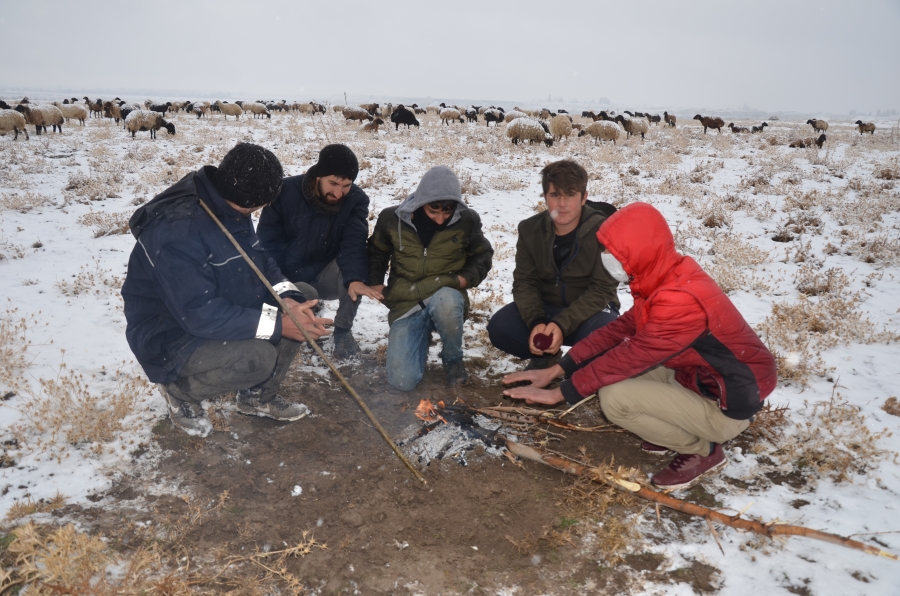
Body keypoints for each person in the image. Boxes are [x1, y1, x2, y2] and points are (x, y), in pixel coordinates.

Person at [503, 202, 777, 490]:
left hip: (728, 402)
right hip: (700, 378)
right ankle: (670, 428)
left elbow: (630, 356)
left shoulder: (678, 298)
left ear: (638, 251)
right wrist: (558, 369)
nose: (606, 257)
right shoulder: (662, 277)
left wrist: (560, 393)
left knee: (614, 397)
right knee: (611, 376)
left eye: (613, 252)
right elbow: (617, 331)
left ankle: (702, 450)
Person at [122, 143, 332, 437]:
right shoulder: (176, 231)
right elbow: (199, 313)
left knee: (304, 295)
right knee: (258, 357)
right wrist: (279, 325)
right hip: (172, 334)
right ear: (246, 198)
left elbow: (261, 261)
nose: (256, 212)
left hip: (219, 302)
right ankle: (179, 391)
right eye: (256, 207)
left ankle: (256, 398)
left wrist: (288, 299)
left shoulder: (229, 203)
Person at [367, 166, 493, 390]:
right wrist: (376, 282)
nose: (440, 219)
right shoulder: (391, 219)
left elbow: (482, 255)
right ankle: (421, 338)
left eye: (447, 212)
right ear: (421, 202)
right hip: (405, 303)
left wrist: (464, 279)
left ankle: (453, 360)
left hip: (445, 297)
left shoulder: (467, 220)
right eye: (433, 211)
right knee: (402, 382)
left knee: (446, 301)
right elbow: (376, 252)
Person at [487, 160, 620, 370]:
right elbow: (525, 282)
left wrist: (561, 324)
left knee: (610, 335)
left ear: (584, 197)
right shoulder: (530, 230)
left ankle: (575, 365)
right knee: (500, 327)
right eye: (555, 195)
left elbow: (602, 289)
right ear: (545, 197)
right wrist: (536, 321)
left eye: (571, 194)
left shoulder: (605, 231)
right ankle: (546, 355)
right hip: (546, 307)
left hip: (591, 312)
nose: (562, 204)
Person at [257, 144, 381, 359]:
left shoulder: (356, 200)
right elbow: (268, 247)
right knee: (283, 312)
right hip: (286, 276)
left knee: (358, 267)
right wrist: (283, 289)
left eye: (346, 185)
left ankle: (342, 330)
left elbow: (353, 242)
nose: (338, 192)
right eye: (333, 183)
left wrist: (354, 278)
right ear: (317, 176)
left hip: (325, 274)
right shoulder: (284, 192)